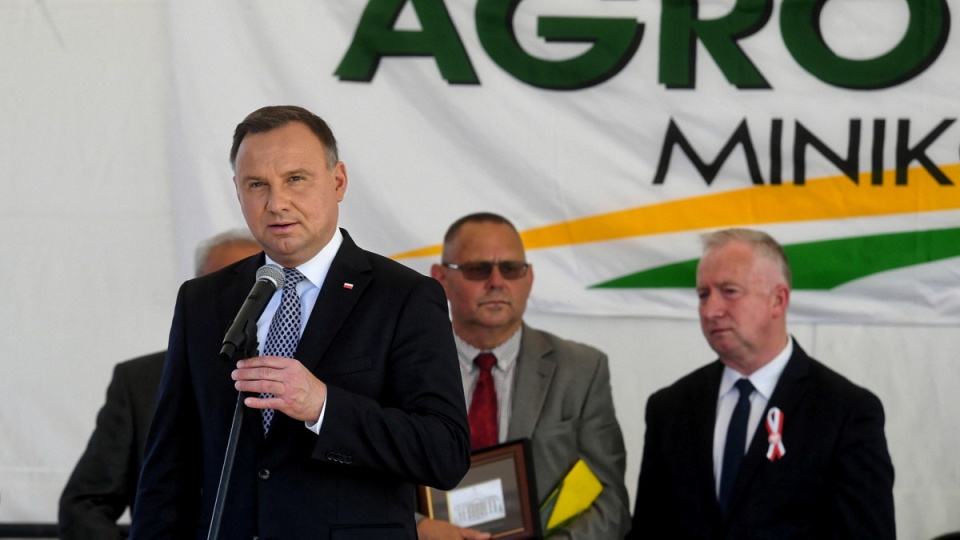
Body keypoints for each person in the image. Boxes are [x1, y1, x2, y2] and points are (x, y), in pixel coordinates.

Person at [130, 105, 470, 539]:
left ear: (338, 181)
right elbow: (167, 469)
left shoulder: (403, 296)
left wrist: (323, 407)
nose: (277, 203)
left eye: (295, 179)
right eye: (258, 185)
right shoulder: (203, 301)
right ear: (238, 191)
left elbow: (445, 453)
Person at [626, 228, 895, 539]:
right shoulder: (669, 408)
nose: (711, 310)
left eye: (729, 291)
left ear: (778, 300)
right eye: (703, 295)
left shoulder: (844, 413)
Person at [423, 212, 630, 540]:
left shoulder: (582, 370)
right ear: (440, 278)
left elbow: (609, 498)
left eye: (511, 269)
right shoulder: (405, 366)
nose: (496, 281)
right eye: (478, 269)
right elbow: (368, 483)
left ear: (529, 278)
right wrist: (418, 528)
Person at [58, 230, 262, 540]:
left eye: (256, 289)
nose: (242, 301)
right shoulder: (140, 380)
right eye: (227, 283)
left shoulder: (303, 377)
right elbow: (84, 506)